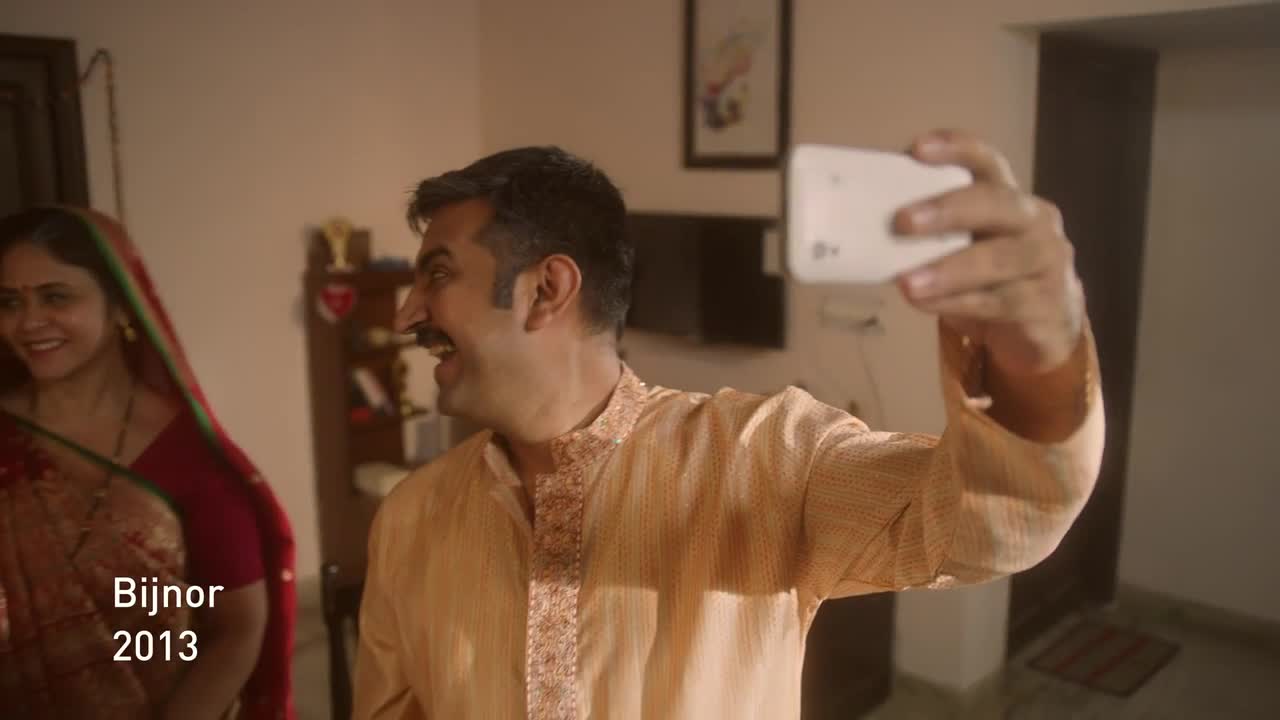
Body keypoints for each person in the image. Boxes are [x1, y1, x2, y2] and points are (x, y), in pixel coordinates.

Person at [352, 130, 1105, 720]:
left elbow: (985, 527)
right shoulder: (409, 518)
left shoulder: (766, 459)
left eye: (437, 273)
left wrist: (1036, 365)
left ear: (547, 289)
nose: (407, 313)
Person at [0, 207, 297, 719]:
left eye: (56, 297)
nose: (29, 322)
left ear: (121, 304)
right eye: (9, 302)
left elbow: (236, 629)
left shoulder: (185, 451)